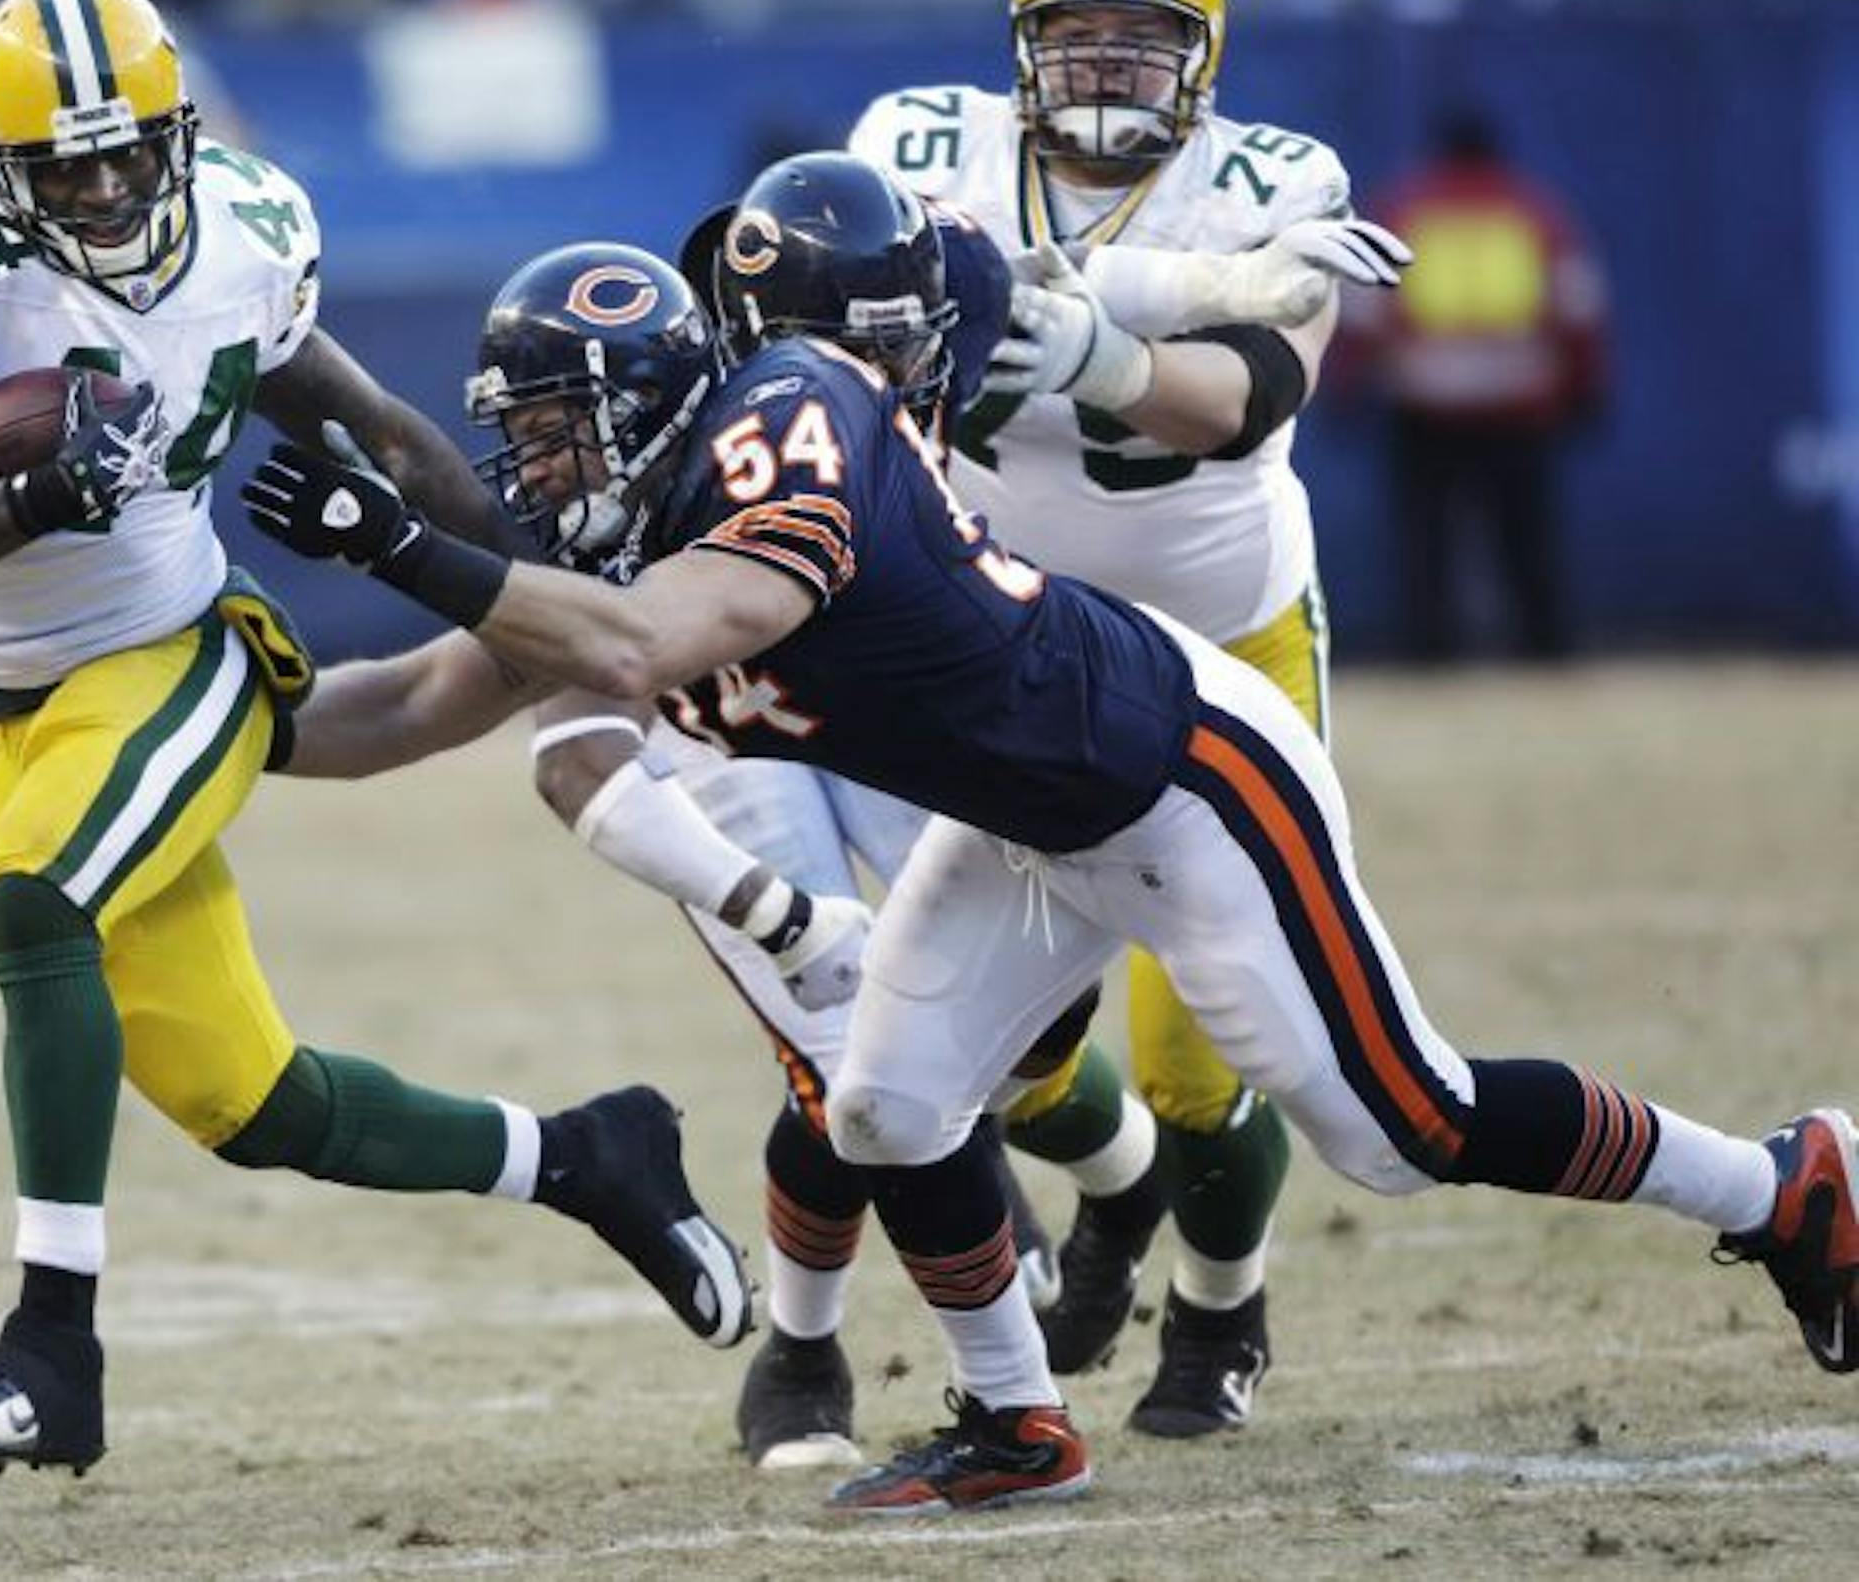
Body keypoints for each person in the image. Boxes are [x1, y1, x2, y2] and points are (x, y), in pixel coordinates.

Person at [240, 174, 1858, 1516]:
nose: (534, 471)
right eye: (516, 439)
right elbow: (402, 708)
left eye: (555, 433)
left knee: (1400, 1121)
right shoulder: (631, 530)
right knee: (881, 1096)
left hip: (1181, 772)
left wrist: (397, 539)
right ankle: (1020, 1422)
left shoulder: (784, 417)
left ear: (653, 403)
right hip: (1021, 817)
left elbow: (641, 646)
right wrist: (213, 714)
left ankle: (1786, 1184)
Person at [0, 0, 753, 1478]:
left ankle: (52, 1348)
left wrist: (545, 594)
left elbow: (375, 427)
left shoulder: (244, 235)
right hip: (0, 703)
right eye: (73, 165)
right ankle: (589, 1155)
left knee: (41, 897)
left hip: (173, 651)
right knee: (257, 1104)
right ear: (4, 169)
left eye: (134, 151)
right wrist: (32, 494)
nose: (113, 186)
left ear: (180, 126)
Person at [843, 0, 1412, 1436]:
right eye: (1076, 36)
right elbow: (895, 294)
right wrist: (1193, 280)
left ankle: (1224, 1308)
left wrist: (1098, 346)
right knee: (1006, 1059)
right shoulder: (917, 140)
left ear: (1202, 65)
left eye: (1139, 40)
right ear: (1020, 50)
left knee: (1204, 1054)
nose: (1102, 67)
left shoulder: (1283, 177)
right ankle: (1118, 1197)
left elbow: (1243, 402)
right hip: (1008, 645)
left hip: (1221, 637)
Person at [526, 171, 1102, 1471]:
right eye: (838, 345)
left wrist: (1186, 290)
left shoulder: (955, 281)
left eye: (897, 338)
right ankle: (805, 1349)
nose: (873, 370)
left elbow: (1058, 259)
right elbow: (578, 715)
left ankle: (1102, 1184)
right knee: (848, 1060)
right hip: (729, 710)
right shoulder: (675, 429)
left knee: (1010, 1007)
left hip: (896, 687)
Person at [1346, 105, 1609, 663]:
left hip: (1424, 401)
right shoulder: (1534, 209)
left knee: (1427, 545)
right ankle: (1546, 650)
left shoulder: (1404, 205)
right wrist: (1586, 388)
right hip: (1521, 403)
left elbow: (1363, 311)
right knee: (1527, 543)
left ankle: (1430, 653)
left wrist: (1348, 386)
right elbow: (1578, 306)